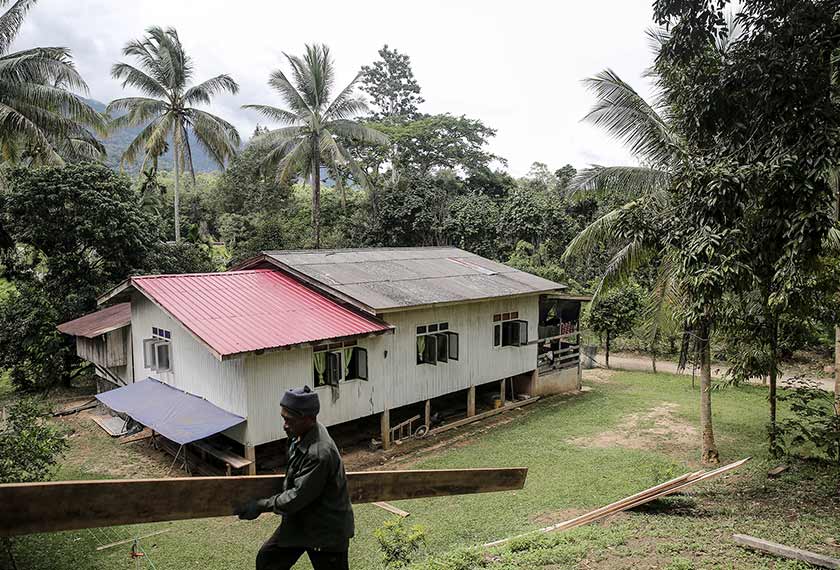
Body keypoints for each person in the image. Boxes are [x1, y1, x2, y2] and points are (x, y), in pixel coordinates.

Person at [235, 386, 354, 570]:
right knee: (268, 561)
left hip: (326, 531)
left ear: (309, 419)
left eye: (290, 420)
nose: (285, 425)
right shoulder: (300, 435)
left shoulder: (319, 453)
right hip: (301, 522)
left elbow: (297, 496)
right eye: (283, 418)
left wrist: (260, 505)